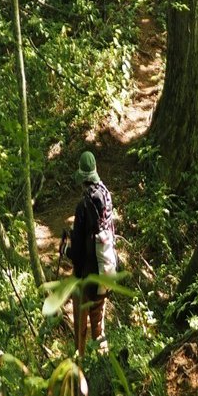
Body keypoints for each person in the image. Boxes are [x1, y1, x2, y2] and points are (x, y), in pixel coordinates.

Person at [64, 150, 115, 356]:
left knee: (80, 332)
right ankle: (104, 368)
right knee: (99, 328)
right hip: (105, 272)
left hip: (85, 279)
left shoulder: (83, 205)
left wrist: (65, 249)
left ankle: (80, 373)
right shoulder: (106, 195)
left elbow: (76, 253)